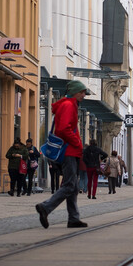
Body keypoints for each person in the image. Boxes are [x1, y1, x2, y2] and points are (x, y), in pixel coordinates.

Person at [35, 80, 91, 229]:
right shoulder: (68, 105)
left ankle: (73, 218)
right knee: (69, 185)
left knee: (72, 186)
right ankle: (45, 207)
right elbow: (63, 129)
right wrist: (78, 143)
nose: (84, 95)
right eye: (82, 92)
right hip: (69, 150)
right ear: (75, 92)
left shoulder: (69, 104)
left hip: (70, 151)